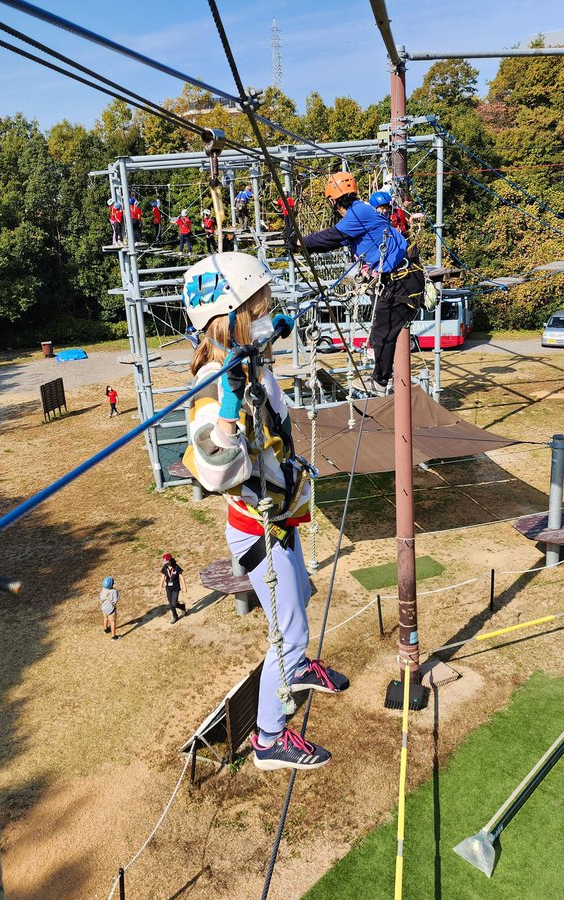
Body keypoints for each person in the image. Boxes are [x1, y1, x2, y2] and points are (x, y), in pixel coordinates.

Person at [181, 251, 349, 771]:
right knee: (289, 632)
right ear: (230, 316)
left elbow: (270, 405)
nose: (264, 314)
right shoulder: (215, 381)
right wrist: (229, 413)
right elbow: (211, 469)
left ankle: (298, 667)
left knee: (299, 594)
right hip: (258, 527)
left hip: (280, 514)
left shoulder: (247, 359)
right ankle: (268, 738)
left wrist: (272, 335)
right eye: (257, 308)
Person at [290, 172, 424, 394]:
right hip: (403, 280)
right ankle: (384, 378)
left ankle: (380, 382)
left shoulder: (358, 213)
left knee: (382, 332)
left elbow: (331, 236)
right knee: (384, 332)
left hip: (401, 281)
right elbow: (332, 242)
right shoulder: (359, 212)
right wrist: (302, 245)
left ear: (333, 201)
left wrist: (298, 242)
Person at [160, 553, 188, 622]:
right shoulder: (165, 567)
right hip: (168, 588)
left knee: (174, 603)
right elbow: (162, 577)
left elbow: (181, 577)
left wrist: (184, 587)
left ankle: (182, 607)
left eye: (166, 562)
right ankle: (175, 616)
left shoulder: (176, 567)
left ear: (170, 560)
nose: (165, 563)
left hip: (175, 588)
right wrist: (160, 587)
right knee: (171, 604)